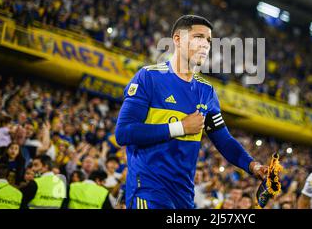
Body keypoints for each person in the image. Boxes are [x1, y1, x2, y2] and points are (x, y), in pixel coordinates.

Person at [115, 15, 268, 209]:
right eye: (198, 37)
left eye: (208, 40)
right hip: (148, 189)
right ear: (177, 40)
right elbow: (124, 133)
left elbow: (224, 140)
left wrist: (253, 166)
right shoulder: (149, 77)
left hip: (184, 196)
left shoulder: (207, 91)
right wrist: (181, 127)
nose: (205, 44)